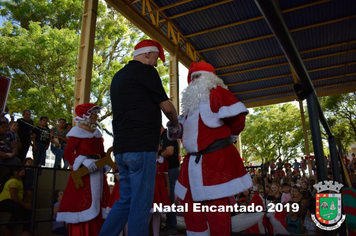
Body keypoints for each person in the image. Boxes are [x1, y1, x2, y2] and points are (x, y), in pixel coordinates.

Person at [99, 39, 179, 236]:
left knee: (125, 200)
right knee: (141, 203)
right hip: (142, 147)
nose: (156, 64)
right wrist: (176, 125)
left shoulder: (118, 76)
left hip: (121, 149)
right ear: (147, 54)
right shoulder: (147, 72)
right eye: (155, 59)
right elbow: (167, 107)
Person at [167, 62, 252, 236]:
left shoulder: (218, 93)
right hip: (192, 163)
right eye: (192, 78)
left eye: (198, 76)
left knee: (216, 208)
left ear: (209, 78)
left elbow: (238, 121)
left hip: (215, 160)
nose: (195, 81)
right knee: (188, 204)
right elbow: (181, 129)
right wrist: (174, 127)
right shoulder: (190, 106)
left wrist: (226, 141)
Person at [57, 103, 110, 236]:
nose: (96, 116)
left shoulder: (97, 133)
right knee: (82, 204)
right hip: (83, 174)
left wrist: (106, 163)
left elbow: (102, 153)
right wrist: (83, 161)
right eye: (94, 113)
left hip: (98, 172)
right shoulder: (76, 132)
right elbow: (68, 153)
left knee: (99, 203)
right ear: (86, 115)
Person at [159, 126, 179, 236]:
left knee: (169, 197)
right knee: (168, 197)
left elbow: (170, 151)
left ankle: (172, 226)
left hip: (171, 169)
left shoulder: (167, 134)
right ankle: (170, 225)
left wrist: (157, 157)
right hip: (170, 170)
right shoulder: (164, 135)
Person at [0, 166, 31, 236]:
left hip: (12, 202)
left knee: (28, 210)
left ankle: (25, 231)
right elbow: (14, 196)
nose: (24, 171)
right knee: (19, 208)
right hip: (4, 201)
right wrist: (24, 204)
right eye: (22, 170)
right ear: (16, 172)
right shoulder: (13, 181)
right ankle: (7, 230)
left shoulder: (19, 181)